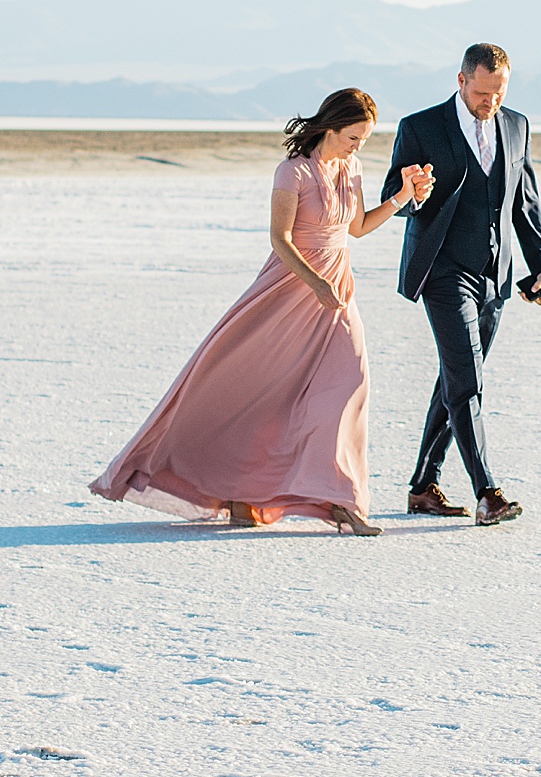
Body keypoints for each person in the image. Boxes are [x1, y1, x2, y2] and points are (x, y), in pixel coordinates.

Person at [89, 88, 432, 536]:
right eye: (353, 137)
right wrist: (316, 283)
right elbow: (280, 239)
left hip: (337, 292)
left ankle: (341, 499)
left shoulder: (352, 167)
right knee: (263, 392)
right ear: (329, 128)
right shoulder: (293, 172)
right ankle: (237, 492)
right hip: (289, 289)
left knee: (350, 383)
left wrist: (404, 196)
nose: (358, 146)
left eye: (363, 139)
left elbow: (358, 228)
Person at [382, 43, 541, 526]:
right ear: (461, 81)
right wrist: (413, 192)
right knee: (468, 381)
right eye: (482, 93)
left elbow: (525, 201)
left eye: (499, 93)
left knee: (454, 381)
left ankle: (423, 486)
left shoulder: (516, 126)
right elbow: (392, 197)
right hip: (442, 271)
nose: (491, 102)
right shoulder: (420, 127)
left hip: (494, 276)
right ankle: (487, 492)